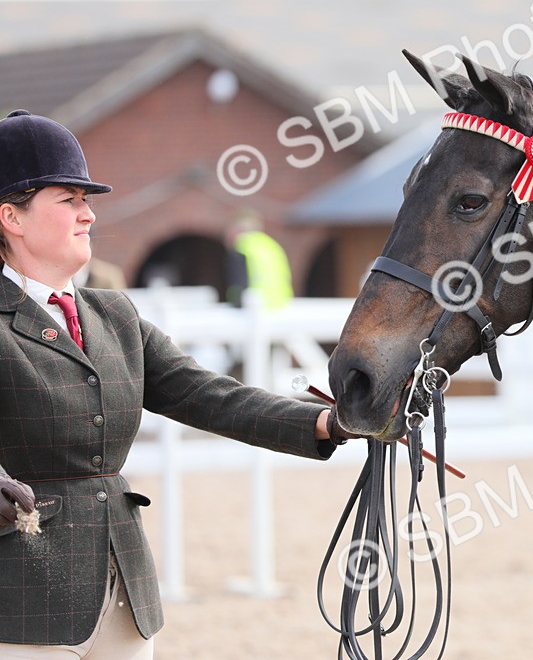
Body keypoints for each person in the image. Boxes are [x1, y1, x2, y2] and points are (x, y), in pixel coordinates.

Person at [0, 110, 357, 659]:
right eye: (68, 200)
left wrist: (327, 421)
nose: (88, 215)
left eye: (87, 201)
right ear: (12, 217)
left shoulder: (113, 314)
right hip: (22, 594)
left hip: (124, 591)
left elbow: (205, 394)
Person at [223, 212, 293, 309]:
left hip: (256, 306)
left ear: (237, 230)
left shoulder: (243, 246)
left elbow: (238, 284)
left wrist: (235, 304)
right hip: (280, 305)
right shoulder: (271, 245)